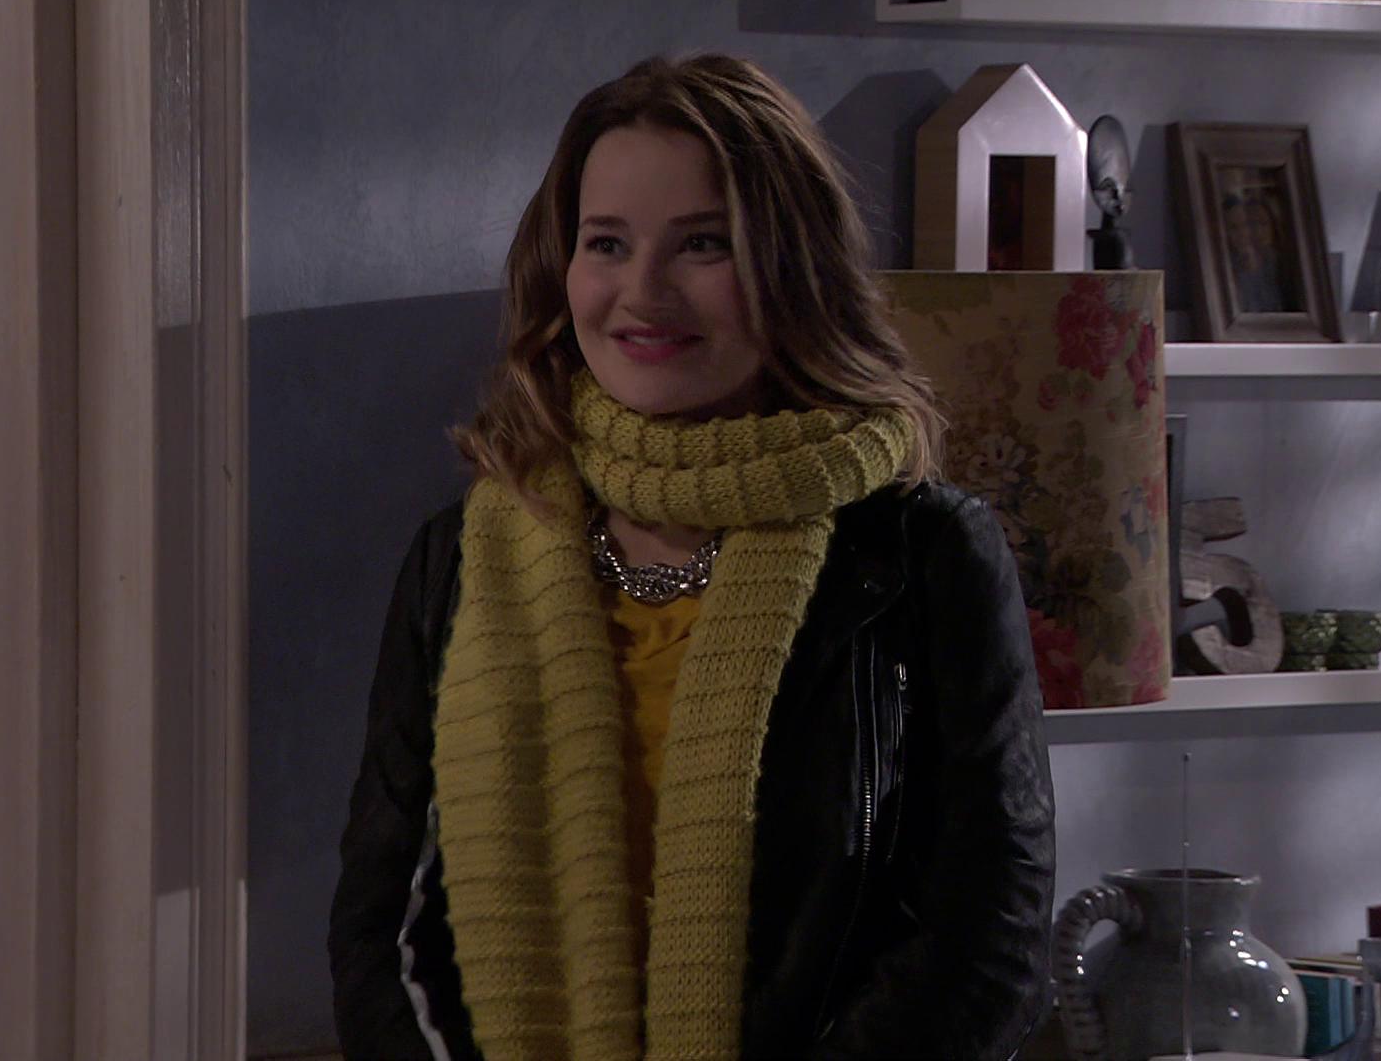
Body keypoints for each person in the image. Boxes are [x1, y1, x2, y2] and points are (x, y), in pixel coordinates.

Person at [328, 52, 1056, 1061]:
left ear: (791, 266)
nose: (643, 292)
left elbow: (988, 938)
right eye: (607, 244)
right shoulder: (459, 559)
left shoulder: (921, 554)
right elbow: (381, 923)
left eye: (703, 244)